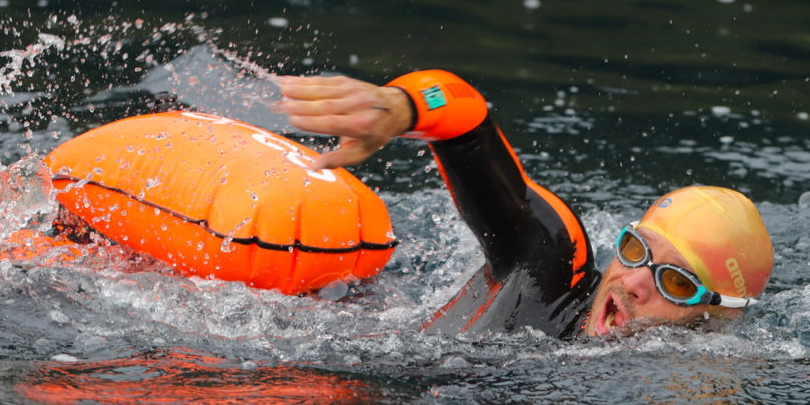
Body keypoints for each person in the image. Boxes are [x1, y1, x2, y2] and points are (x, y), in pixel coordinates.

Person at [276, 69, 774, 338]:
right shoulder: (550, 263)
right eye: (633, 249)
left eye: (674, 280)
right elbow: (466, 118)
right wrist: (402, 107)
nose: (635, 282)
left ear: (715, 317)